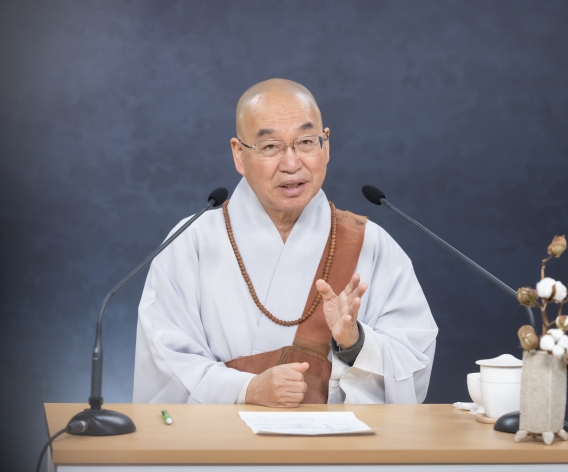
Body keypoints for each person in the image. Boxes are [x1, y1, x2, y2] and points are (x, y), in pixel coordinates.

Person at [133, 79, 437, 407]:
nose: (291, 164)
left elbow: (413, 358)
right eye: (270, 147)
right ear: (239, 154)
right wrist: (246, 390)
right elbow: (166, 362)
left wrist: (354, 343)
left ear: (326, 145)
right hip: (223, 437)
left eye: (306, 142)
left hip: (337, 439)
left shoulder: (371, 244)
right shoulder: (191, 242)